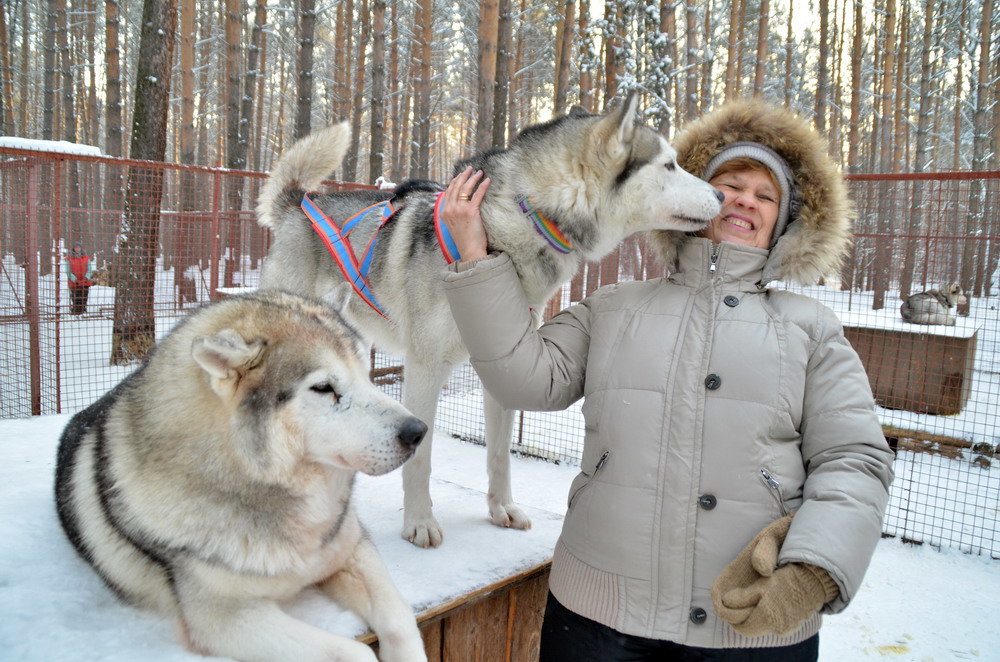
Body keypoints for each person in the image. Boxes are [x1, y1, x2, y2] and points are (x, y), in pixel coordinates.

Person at [437, 99, 894, 661]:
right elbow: (525, 381)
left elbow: (855, 460)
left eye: (766, 195)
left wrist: (814, 569)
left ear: (787, 224)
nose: (745, 199)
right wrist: (476, 262)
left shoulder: (811, 328)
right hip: (598, 617)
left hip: (751, 625)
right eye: (729, 183)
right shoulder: (611, 305)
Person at [65, 241, 95, 315]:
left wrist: (86, 277)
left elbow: (89, 269)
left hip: (85, 281)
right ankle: (76, 311)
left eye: (79, 247)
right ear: (73, 248)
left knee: (84, 296)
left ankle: (83, 310)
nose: (78, 249)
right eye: (76, 247)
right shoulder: (69, 258)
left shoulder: (86, 258)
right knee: (76, 296)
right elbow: (68, 271)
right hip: (74, 282)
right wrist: (75, 279)